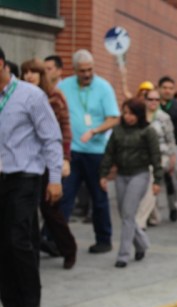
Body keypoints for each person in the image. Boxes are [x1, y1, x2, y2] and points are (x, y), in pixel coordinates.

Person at [0, 46, 63, 307]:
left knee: (18, 239)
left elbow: (51, 138)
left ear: (2, 65)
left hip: (24, 177)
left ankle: (29, 304)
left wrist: (55, 180)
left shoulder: (31, 95)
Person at [59, 49, 120, 254]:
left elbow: (113, 117)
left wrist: (95, 130)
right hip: (71, 152)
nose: (87, 74)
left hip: (96, 152)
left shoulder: (104, 87)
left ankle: (104, 239)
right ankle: (55, 239)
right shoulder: (64, 86)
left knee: (99, 198)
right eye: (82, 70)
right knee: (64, 196)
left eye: (90, 69)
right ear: (75, 69)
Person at [20, 58, 78, 269]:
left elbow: (63, 131)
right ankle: (33, 253)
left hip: (48, 162)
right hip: (25, 163)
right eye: (25, 72)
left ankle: (68, 249)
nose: (29, 76)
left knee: (50, 210)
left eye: (33, 72)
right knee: (25, 212)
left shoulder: (54, 96)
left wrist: (64, 158)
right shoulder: (18, 96)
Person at [99, 98, 162, 268]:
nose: (128, 117)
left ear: (139, 114)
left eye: (132, 113)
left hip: (139, 174)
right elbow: (109, 153)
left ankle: (123, 255)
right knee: (124, 213)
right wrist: (103, 175)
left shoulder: (148, 131)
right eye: (125, 113)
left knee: (128, 213)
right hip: (121, 175)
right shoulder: (118, 130)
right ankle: (142, 243)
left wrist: (158, 180)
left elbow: (156, 157)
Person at [136, 89, 176, 227]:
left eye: (156, 100)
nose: (153, 102)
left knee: (149, 184)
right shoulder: (139, 116)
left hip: (160, 157)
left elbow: (171, 140)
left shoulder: (164, 117)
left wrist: (172, 157)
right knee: (143, 186)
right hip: (141, 156)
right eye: (150, 99)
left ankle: (140, 221)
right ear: (145, 100)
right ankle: (154, 216)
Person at [158, 75, 177, 222]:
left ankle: (173, 206)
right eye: (164, 88)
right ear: (159, 88)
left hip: (173, 147)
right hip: (155, 147)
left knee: (174, 179)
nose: (167, 91)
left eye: (170, 88)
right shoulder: (153, 105)